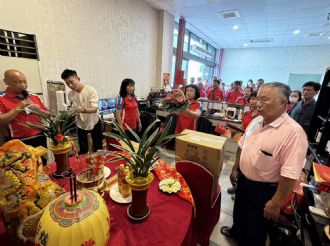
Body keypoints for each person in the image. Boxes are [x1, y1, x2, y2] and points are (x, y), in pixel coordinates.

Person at [220, 82, 308, 246]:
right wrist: (235, 167)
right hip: (245, 180)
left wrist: (276, 202)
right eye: (258, 98)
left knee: (256, 225)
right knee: (240, 211)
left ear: (283, 103)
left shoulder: (294, 134)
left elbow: (290, 174)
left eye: (264, 99)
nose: (258, 103)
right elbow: (242, 146)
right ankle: (237, 231)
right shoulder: (257, 121)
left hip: (265, 190)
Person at [0, 69, 48, 149]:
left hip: (39, 137)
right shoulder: (1, 98)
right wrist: (20, 106)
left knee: (42, 161)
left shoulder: (34, 96)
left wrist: (40, 110)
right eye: (18, 82)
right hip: (17, 141)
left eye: (24, 81)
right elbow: (1, 120)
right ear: (6, 82)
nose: (23, 85)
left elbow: (48, 115)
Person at [61, 69, 103, 154]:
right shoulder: (70, 95)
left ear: (78, 78)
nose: (70, 85)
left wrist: (81, 110)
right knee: (83, 149)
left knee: (98, 148)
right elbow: (73, 109)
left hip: (94, 122)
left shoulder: (90, 90)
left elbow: (94, 109)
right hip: (80, 124)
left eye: (71, 82)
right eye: (67, 83)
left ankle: (99, 166)